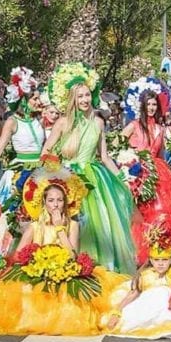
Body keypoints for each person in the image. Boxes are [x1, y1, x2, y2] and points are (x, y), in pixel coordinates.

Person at [0, 173, 122, 335]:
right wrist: (34, 260)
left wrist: (59, 228)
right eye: (51, 201)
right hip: (38, 270)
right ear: (44, 203)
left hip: (64, 270)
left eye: (60, 200)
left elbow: (72, 255)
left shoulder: (73, 224)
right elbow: (19, 254)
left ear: (65, 203)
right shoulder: (35, 226)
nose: (55, 205)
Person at [41, 62, 140, 274]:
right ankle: (69, 265)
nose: (85, 100)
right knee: (73, 223)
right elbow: (46, 151)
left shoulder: (98, 123)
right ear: (72, 99)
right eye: (80, 96)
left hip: (93, 180)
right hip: (67, 178)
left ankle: (99, 268)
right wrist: (56, 172)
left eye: (87, 95)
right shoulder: (63, 123)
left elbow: (104, 156)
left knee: (100, 223)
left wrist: (122, 178)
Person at [0, 68, 45, 260]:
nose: (39, 102)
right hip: (17, 175)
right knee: (10, 216)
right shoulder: (12, 122)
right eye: (34, 98)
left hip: (38, 173)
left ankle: (32, 254)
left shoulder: (40, 120)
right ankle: (3, 257)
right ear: (24, 100)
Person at [122, 81, 171, 264]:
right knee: (139, 212)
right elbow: (116, 145)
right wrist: (128, 162)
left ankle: (159, 249)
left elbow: (162, 153)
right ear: (142, 105)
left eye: (154, 104)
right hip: (137, 171)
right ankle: (139, 251)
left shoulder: (161, 129)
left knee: (161, 210)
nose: (151, 107)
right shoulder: (133, 125)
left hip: (158, 172)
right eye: (148, 104)